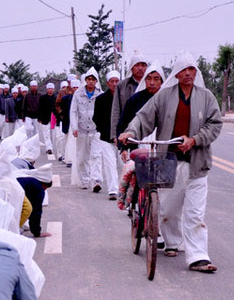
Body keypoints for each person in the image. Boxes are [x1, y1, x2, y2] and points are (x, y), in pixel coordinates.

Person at [119, 52, 222, 273]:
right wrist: (130, 132)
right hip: (169, 162)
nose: (187, 73)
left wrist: (195, 140)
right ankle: (173, 242)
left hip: (197, 163)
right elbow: (143, 118)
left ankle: (198, 257)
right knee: (168, 210)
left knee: (195, 213)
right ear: (176, 74)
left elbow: (215, 124)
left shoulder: (207, 97)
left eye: (191, 69)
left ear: (196, 72)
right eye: (183, 70)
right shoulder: (164, 97)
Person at [116, 61, 166, 157]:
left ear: (161, 81)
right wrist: (124, 148)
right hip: (139, 147)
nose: (152, 83)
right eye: (149, 79)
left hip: (162, 147)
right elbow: (123, 124)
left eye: (156, 79)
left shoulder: (167, 99)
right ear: (145, 80)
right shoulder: (134, 100)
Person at [70, 68, 102, 190]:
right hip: (82, 129)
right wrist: (74, 127)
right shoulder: (78, 94)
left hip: (95, 130)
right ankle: (84, 179)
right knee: (82, 157)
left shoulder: (100, 94)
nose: (91, 82)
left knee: (96, 156)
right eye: (88, 79)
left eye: (93, 79)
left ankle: (96, 180)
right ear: (85, 80)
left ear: (96, 81)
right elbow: (73, 112)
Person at [91, 70, 121, 200]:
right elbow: (96, 118)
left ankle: (123, 189)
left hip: (123, 138)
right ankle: (113, 190)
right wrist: (106, 132)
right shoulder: (101, 99)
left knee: (122, 165)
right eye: (112, 81)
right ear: (107, 83)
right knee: (109, 164)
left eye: (117, 81)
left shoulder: (124, 98)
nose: (114, 84)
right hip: (106, 137)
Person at [111, 50, 148, 142]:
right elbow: (116, 111)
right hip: (127, 131)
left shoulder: (151, 85)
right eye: (137, 65)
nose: (140, 68)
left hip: (147, 130)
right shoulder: (122, 86)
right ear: (131, 67)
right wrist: (115, 134)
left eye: (143, 65)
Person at [15, 163, 53, 238]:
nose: (44, 190)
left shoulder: (26, 177)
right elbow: (36, 212)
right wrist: (37, 233)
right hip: (13, 193)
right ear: (44, 185)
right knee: (27, 209)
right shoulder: (38, 188)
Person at [61, 79, 80, 167]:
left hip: (80, 123)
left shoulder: (83, 98)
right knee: (70, 141)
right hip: (69, 123)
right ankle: (70, 159)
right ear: (71, 89)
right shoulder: (65, 99)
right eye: (74, 87)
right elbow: (64, 112)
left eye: (77, 87)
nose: (75, 89)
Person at [38, 83, 57, 154]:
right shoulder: (42, 98)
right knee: (46, 134)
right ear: (46, 89)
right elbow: (40, 108)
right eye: (49, 89)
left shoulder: (56, 97)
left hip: (53, 118)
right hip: (44, 118)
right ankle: (49, 148)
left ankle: (50, 146)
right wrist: (39, 117)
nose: (50, 90)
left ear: (54, 89)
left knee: (53, 134)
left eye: (51, 88)